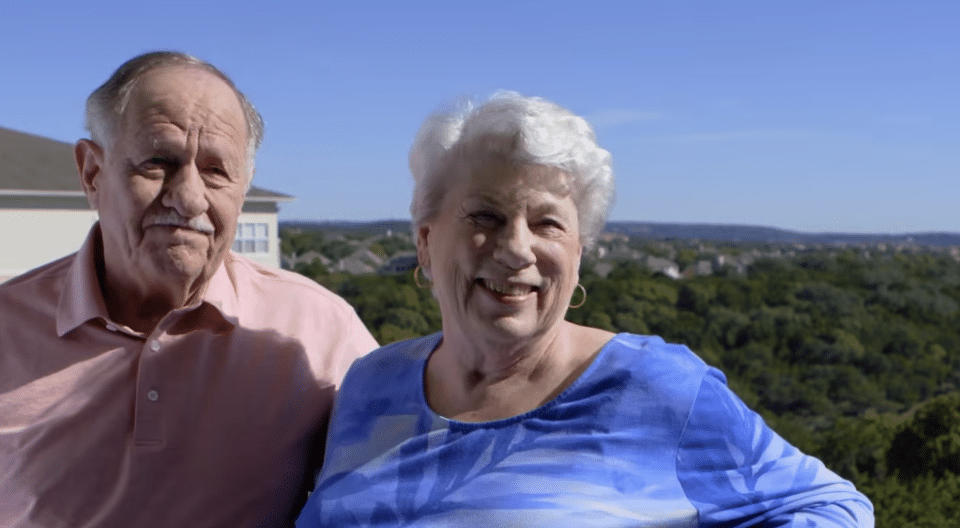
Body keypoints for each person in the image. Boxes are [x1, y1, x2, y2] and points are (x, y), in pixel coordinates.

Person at [296, 92, 874, 527]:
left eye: (547, 222)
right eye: (485, 217)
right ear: (425, 241)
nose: (517, 248)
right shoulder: (372, 384)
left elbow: (832, 506)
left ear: (577, 253)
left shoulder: (652, 386)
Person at [0, 51, 377, 527]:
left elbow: (405, 484)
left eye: (217, 170)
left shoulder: (318, 330)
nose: (189, 197)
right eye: (158, 161)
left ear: (245, 187)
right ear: (92, 173)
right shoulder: (7, 328)